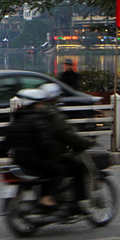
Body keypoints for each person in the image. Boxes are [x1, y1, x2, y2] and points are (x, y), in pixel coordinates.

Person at [38, 82, 93, 213]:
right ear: (55, 98)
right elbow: (66, 134)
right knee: (78, 169)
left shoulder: (39, 112)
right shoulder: (53, 114)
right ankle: (76, 204)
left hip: (40, 154)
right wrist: (84, 143)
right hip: (52, 154)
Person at [5, 88, 60, 211]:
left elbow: (5, 142)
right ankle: (46, 198)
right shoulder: (37, 119)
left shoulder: (16, 119)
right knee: (59, 170)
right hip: (35, 162)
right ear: (34, 104)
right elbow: (46, 142)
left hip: (19, 161)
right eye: (40, 103)